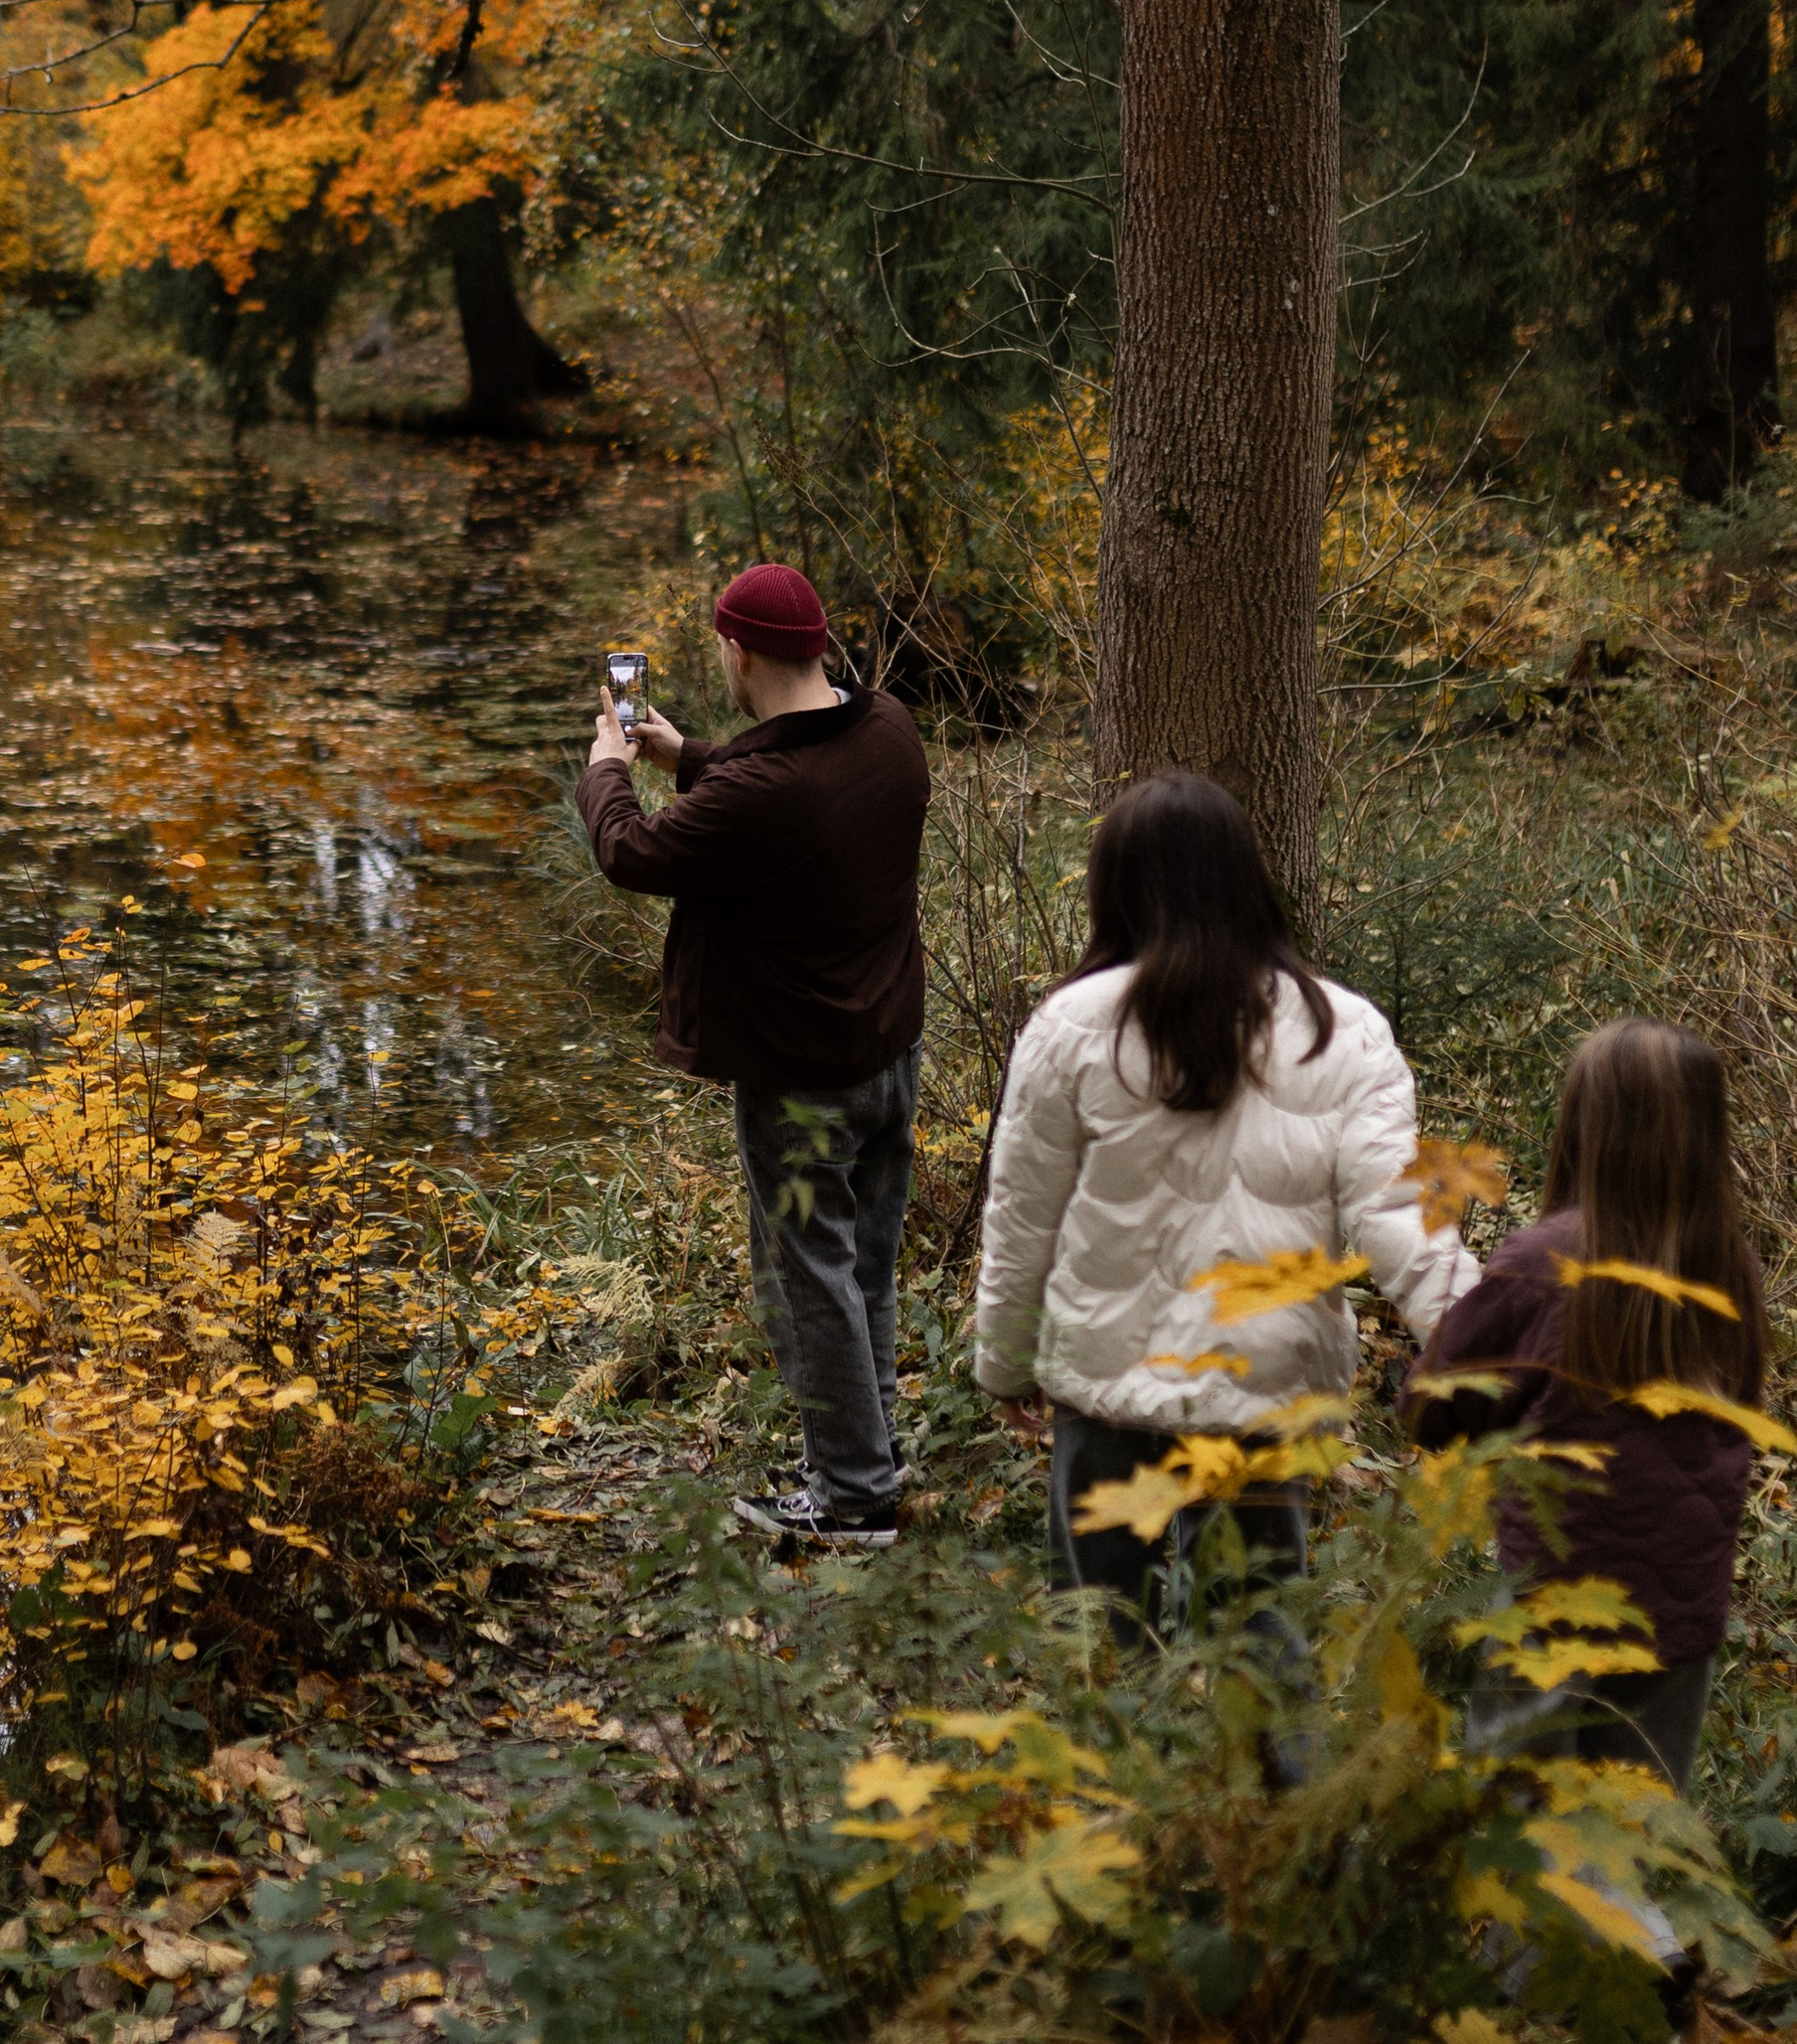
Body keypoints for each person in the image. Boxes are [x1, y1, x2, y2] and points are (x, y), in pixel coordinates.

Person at [976, 771, 1476, 1640]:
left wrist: (1006, 1363)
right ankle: (1274, 1776)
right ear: (1250, 877)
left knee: (1097, 1636)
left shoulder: (1070, 1024)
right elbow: (1400, 1213)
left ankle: (1108, 1773)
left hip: (1106, 1376)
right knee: (1263, 1636)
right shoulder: (1343, 1028)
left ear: (1113, 886)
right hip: (1266, 1379)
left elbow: (1025, 1218)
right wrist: (1479, 1338)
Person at [577, 563, 930, 1549]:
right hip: (888, 1048)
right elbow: (782, 787)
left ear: (735, 650)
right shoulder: (887, 729)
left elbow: (629, 852)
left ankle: (854, 1502)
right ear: (815, 644)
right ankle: (868, 1455)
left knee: (808, 1278)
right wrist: (684, 750)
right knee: (863, 1268)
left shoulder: (765, 794)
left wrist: (610, 760)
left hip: (802, 1074)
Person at [1405, 1020, 1767, 1794]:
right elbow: (1745, 1405)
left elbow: (1431, 1407)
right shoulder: (1731, 1265)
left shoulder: (1543, 1260)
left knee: (1513, 1843)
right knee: (1630, 1840)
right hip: (1681, 1614)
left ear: (1585, 1127)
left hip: (1553, 1604)